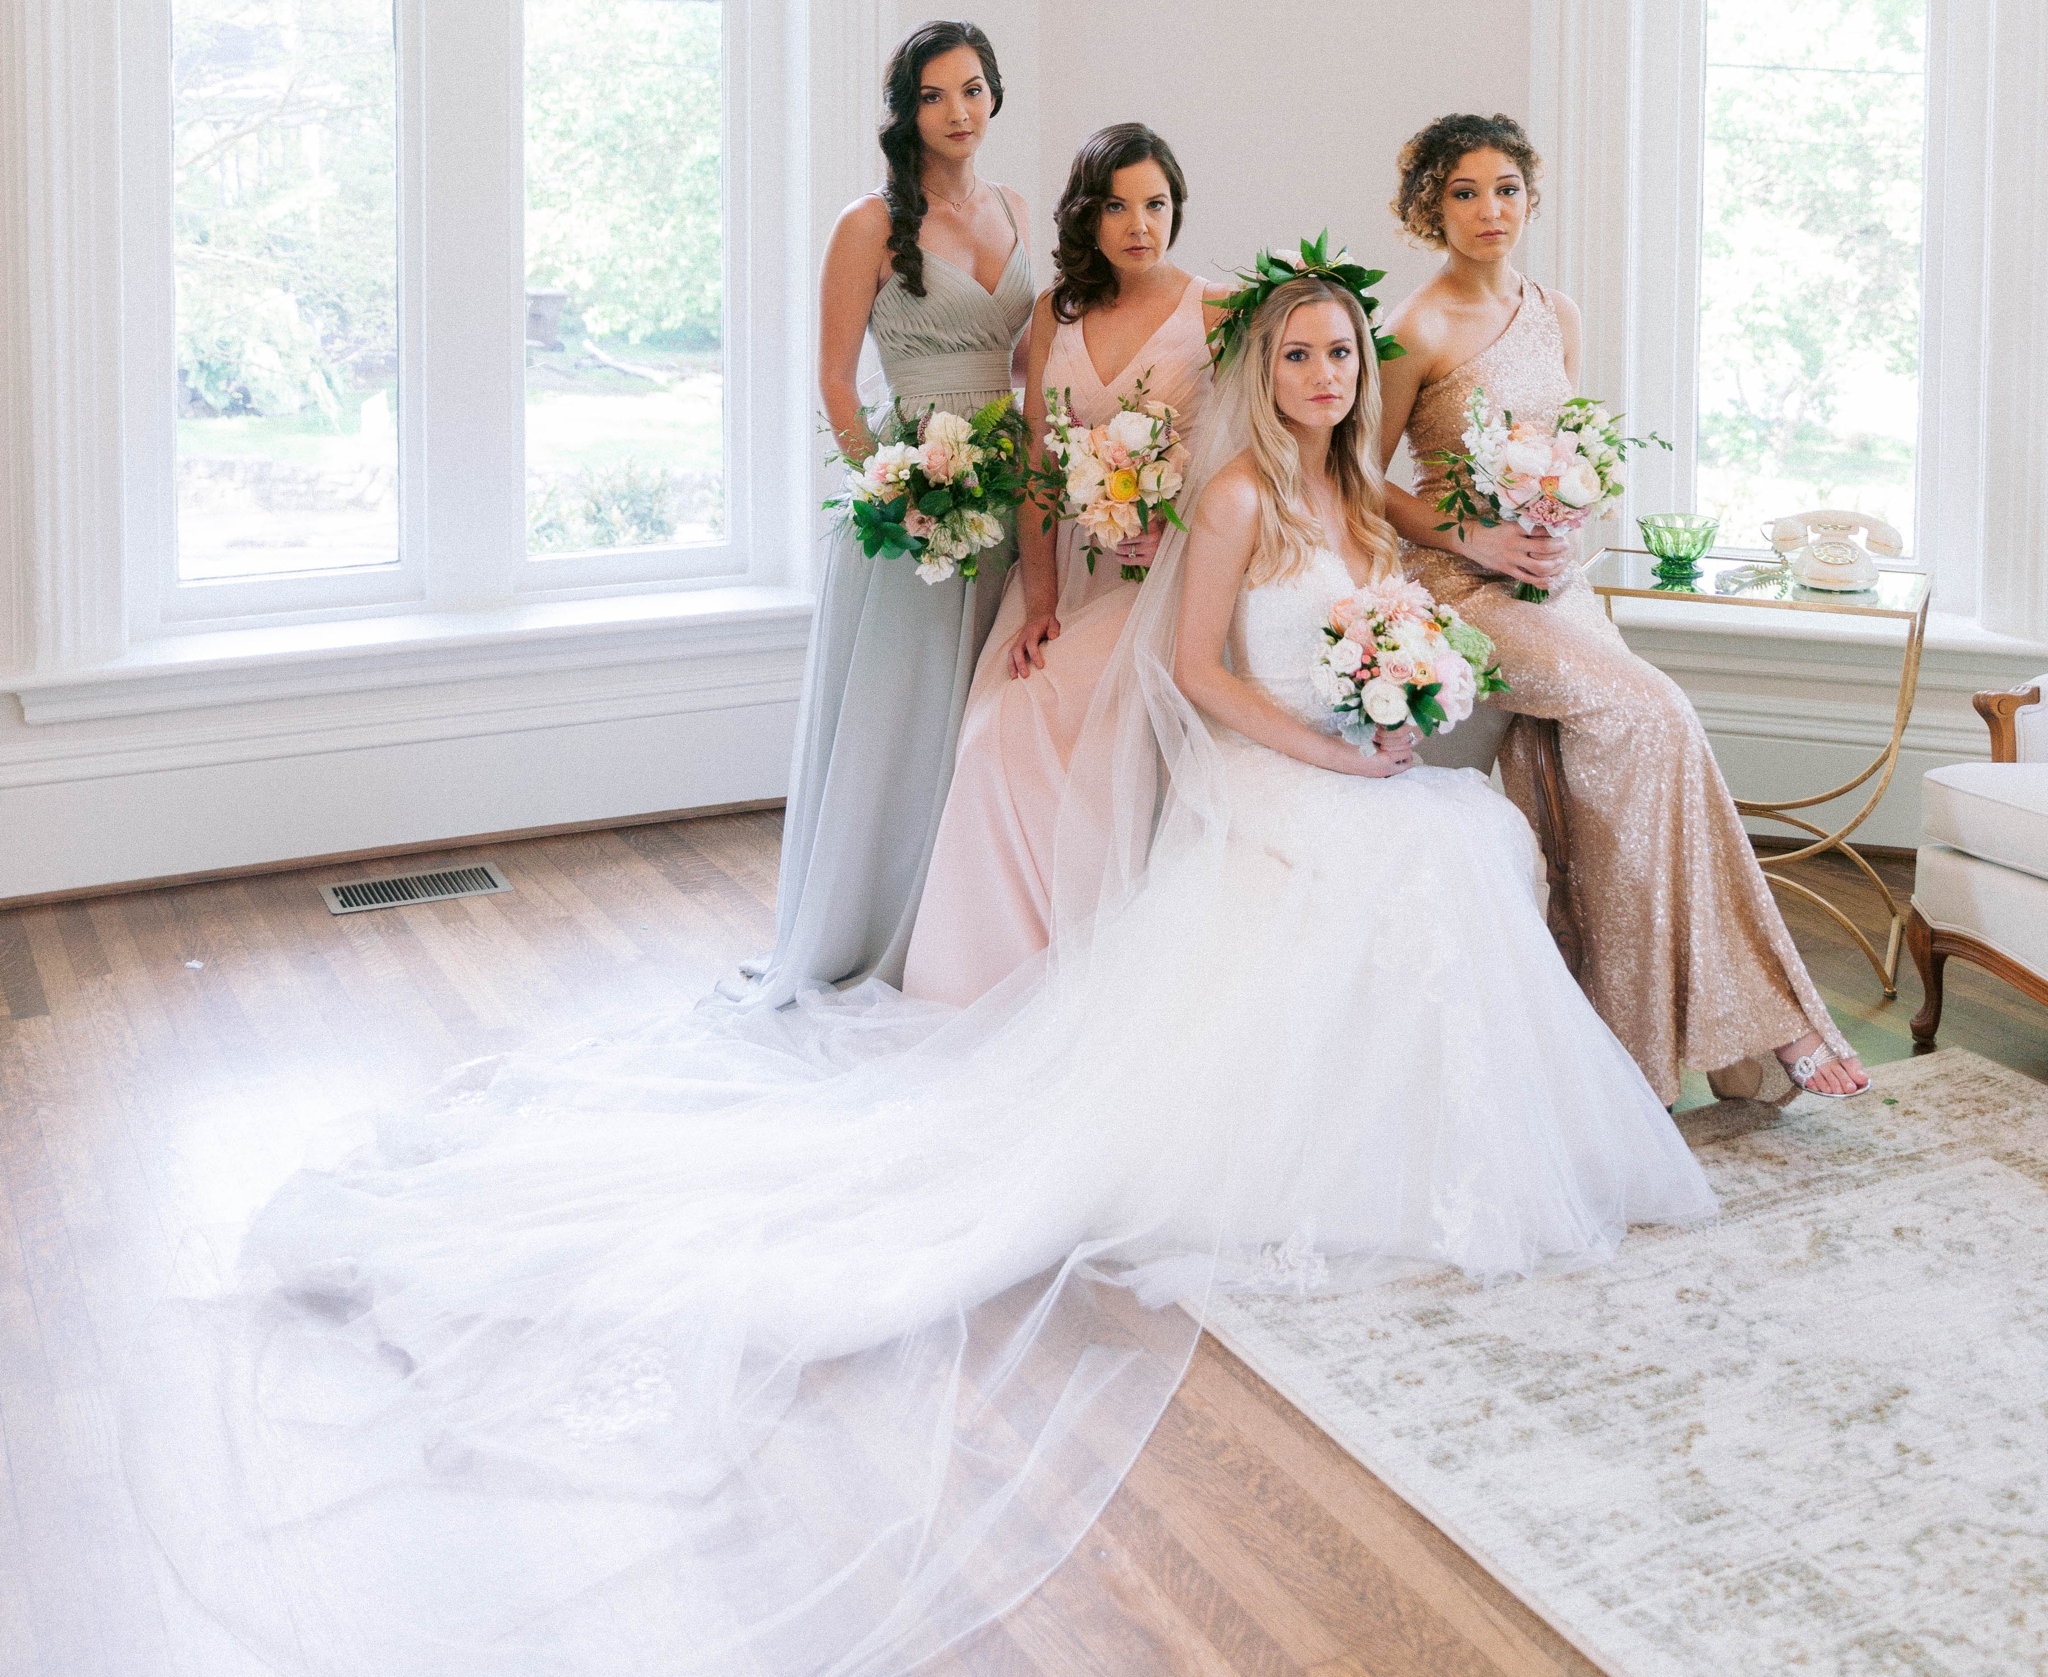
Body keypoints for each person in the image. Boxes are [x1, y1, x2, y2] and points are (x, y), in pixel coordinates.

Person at [125, 258, 1713, 1677]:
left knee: (1460, 838)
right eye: (1299, 355)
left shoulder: (1368, 500)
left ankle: (1433, 1125)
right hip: (1266, 760)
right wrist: (1329, 740)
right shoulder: (1233, 501)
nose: (1322, 378)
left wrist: (1411, 696)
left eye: (1340, 358)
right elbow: (1200, 673)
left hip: (1352, 757)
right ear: (1264, 369)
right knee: (1421, 848)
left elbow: (1447, 591)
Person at [1378, 109, 1869, 1109]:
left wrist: (1565, 522)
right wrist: (1469, 538)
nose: (1488, 210)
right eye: (1464, 192)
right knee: (1657, 713)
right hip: (1461, 587)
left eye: (1505, 188)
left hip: (1559, 583)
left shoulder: (1553, 310)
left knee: (1624, 753)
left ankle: (1675, 1034)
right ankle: (1762, 1025)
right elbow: (1351, 479)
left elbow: (1568, 459)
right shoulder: (1414, 327)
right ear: (1428, 205)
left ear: (1529, 195)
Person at [904, 122, 1223, 1004]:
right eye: (1117, 205)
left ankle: (1094, 964)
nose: (1139, 223)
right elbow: (1042, 468)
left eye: (1155, 204)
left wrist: (1180, 528)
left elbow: (1251, 465)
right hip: (1073, 573)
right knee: (994, 730)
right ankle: (991, 977)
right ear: (1086, 216)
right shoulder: (1058, 313)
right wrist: (1039, 598)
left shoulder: (1219, 310)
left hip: (1167, 578)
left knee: (1084, 730)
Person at [747, 20, 1032, 1002]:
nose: (957, 113)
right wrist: (889, 490)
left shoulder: (1017, 209)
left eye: (972, 90)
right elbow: (832, 379)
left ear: (995, 95)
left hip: (1007, 486)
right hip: (910, 503)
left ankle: (966, 936)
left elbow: (1037, 358)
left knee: (984, 723)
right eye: (933, 95)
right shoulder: (867, 223)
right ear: (903, 111)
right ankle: (866, 929)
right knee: (902, 725)